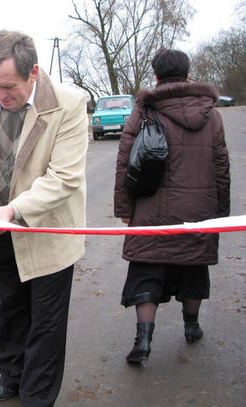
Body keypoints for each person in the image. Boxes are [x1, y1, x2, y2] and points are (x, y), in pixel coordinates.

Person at [0, 30, 88, 406]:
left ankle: (36, 397)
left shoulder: (69, 105)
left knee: (46, 320)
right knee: (10, 306)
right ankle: (11, 377)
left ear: (34, 74)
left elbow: (64, 178)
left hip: (48, 230)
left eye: (7, 86)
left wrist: (13, 209)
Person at [114, 48, 230, 364]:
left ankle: (143, 341)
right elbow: (221, 165)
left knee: (147, 270)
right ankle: (191, 328)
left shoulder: (145, 110)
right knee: (193, 268)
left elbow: (125, 161)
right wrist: (221, 213)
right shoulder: (212, 114)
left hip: (151, 211)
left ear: (156, 76)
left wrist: (125, 208)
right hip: (199, 211)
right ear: (188, 73)